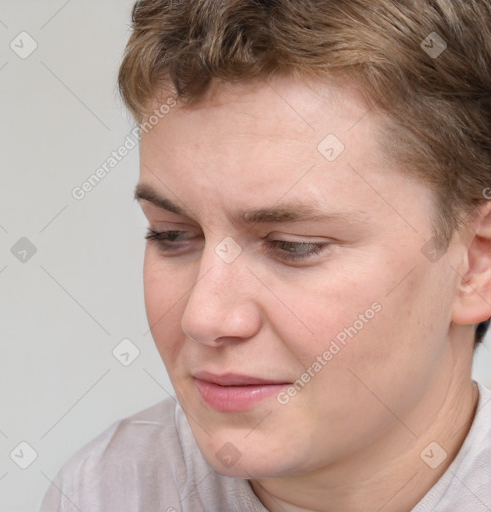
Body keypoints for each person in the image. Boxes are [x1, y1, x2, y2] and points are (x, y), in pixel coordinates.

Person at [40, 1, 491, 510]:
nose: (203, 318)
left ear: (476, 264)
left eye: (292, 247)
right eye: (170, 235)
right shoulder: (103, 492)